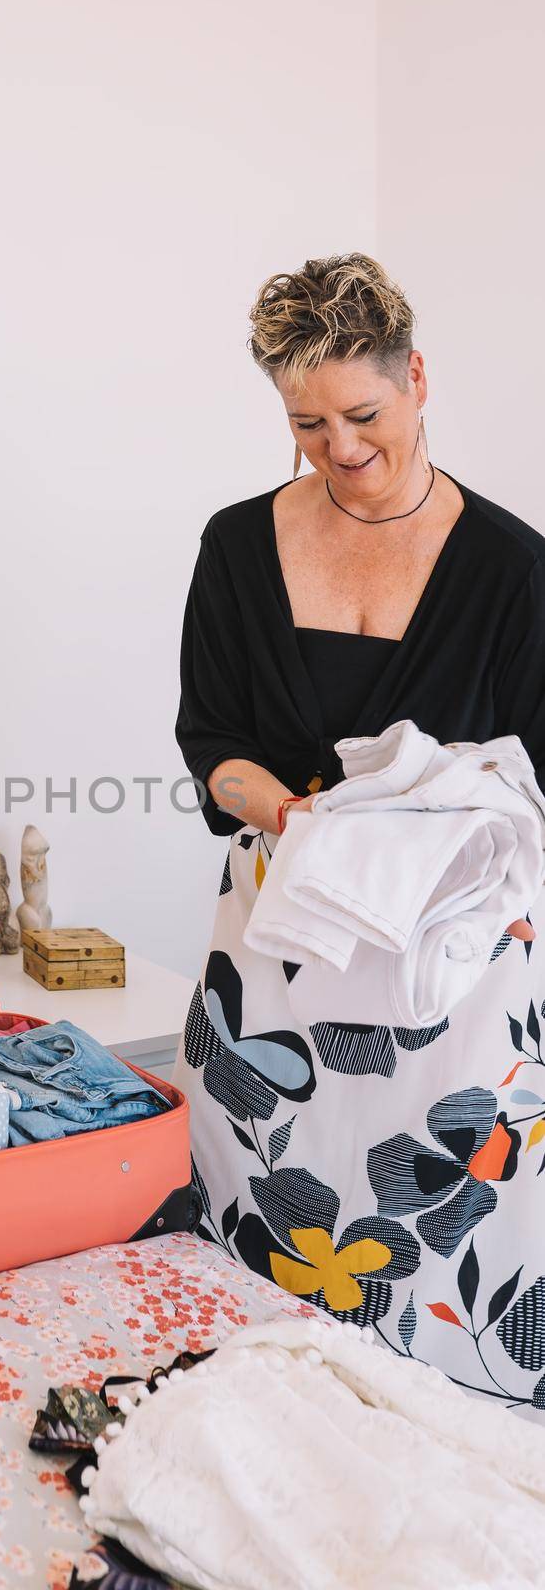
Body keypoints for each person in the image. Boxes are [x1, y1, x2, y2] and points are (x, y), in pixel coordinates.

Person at [173, 252, 545, 1409]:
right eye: (304, 422)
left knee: (432, 1280)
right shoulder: (237, 547)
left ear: (416, 378)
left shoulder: (512, 570)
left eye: (361, 412)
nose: (336, 445)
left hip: (453, 979)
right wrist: (282, 812)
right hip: (275, 958)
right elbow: (210, 743)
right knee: (264, 1267)